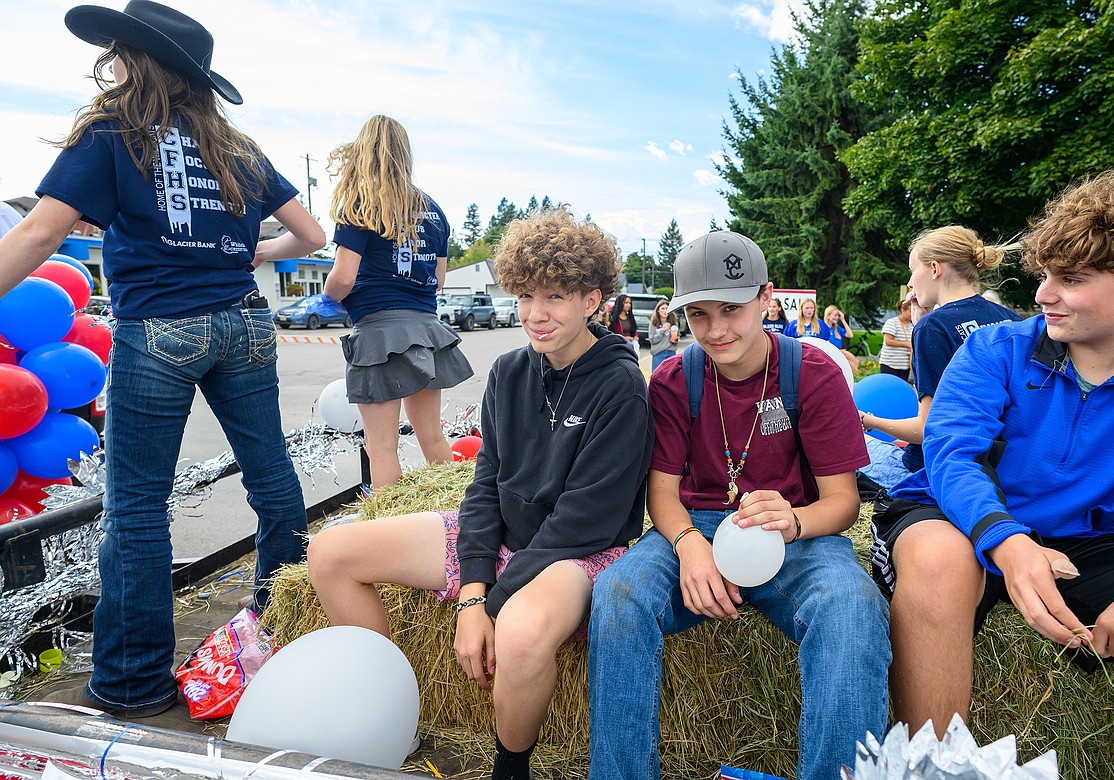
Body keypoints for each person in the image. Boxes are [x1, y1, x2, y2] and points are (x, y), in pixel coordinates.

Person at [0, 0, 325, 718]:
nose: (111, 56)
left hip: (161, 326)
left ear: (135, 59)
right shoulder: (236, 147)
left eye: (118, 47)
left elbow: (39, 234)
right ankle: (285, 629)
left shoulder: (112, 131)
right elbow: (311, 234)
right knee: (272, 481)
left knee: (139, 508)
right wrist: (253, 251)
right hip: (246, 320)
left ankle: (132, 682)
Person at [308, 208, 654, 780]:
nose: (535, 316)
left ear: (592, 300)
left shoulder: (621, 385)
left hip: (581, 553)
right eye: (524, 296)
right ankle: (386, 705)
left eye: (555, 298)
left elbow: (586, 518)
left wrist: (489, 604)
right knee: (328, 553)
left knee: (518, 634)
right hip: (507, 539)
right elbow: (486, 482)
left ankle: (509, 765)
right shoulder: (510, 371)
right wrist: (473, 591)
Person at [869, 165, 1114, 780]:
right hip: (951, 515)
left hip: (1084, 539)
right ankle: (927, 770)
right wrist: (1006, 541)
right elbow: (951, 454)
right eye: (1044, 276)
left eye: (1072, 279)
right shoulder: (995, 348)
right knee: (940, 560)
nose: (1042, 294)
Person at [588, 230, 890, 780]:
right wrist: (689, 546)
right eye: (699, 315)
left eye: (732, 308)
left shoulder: (814, 375)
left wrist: (794, 520)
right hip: (695, 524)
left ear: (766, 298)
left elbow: (843, 503)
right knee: (618, 592)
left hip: (793, 529)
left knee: (851, 605)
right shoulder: (675, 378)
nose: (716, 329)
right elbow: (662, 491)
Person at [323, 115, 472, 489]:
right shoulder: (434, 210)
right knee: (433, 438)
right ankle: (455, 519)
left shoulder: (360, 204)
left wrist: (327, 297)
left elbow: (343, 277)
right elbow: (437, 280)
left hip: (379, 335)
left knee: (381, 447)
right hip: (426, 330)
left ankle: (390, 534)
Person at [858, 227, 1019, 487]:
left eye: (912, 270)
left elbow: (926, 429)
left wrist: (866, 420)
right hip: (998, 466)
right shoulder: (1010, 319)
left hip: (935, 471)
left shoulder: (934, 328)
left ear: (934, 269)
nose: (910, 282)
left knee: (857, 446)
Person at [878, 299, 914, 381]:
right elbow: (888, 341)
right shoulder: (892, 322)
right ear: (902, 310)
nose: (912, 314)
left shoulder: (912, 325)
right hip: (890, 364)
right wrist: (907, 344)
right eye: (910, 311)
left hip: (904, 366)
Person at [822, 304, 860, 375]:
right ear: (828, 316)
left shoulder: (836, 328)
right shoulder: (822, 327)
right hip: (829, 355)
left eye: (838, 316)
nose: (837, 317)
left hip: (839, 354)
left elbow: (850, 335)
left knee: (852, 360)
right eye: (835, 315)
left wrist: (843, 319)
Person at [648, 298, 679, 371]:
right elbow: (652, 340)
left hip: (671, 353)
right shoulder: (654, 323)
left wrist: (675, 340)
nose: (665, 311)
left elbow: (678, 338)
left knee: (670, 379)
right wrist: (662, 330)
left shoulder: (674, 322)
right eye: (663, 308)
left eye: (667, 308)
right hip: (658, 353)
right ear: (658, 310)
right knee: (657, 378)